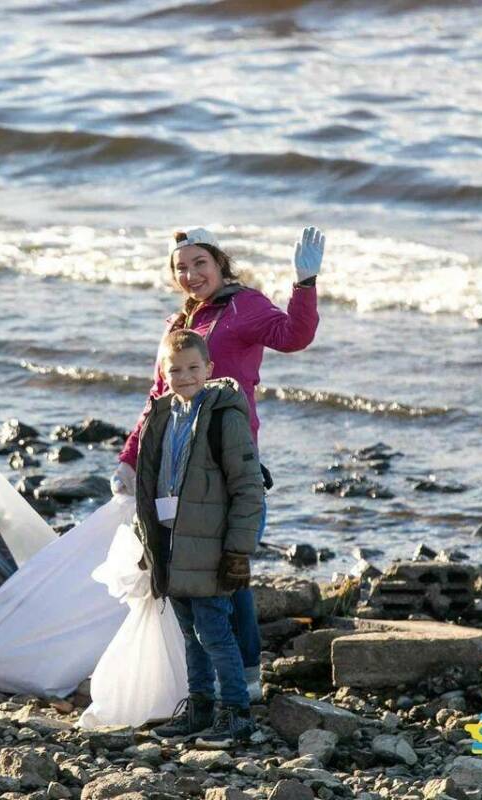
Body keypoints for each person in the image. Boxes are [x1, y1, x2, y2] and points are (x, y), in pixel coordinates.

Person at [113, 225, 324, 698]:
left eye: (199, 263)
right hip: (173, 460)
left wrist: (304, 284)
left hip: (225, 455)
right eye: (181, 268)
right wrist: (130, 458)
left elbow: (294, 336)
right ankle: (200, 682)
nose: (191, 274)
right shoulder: (177, 325)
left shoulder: (243, 305)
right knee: (186, 566)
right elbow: (158, 395)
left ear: (219, 263)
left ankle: (245, 678)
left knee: (229, 567)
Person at [133, 329, 264, 745]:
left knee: (214, 631)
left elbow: (247, 485)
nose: (185, 375)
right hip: (173, 543)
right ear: (162, 372)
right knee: (190, 632)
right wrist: (147, 542)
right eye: (175, 369)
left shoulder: (224, 415)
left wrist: (239, 549)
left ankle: (236, 713)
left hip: (210, 545)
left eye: (193, 367)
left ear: (209, 369)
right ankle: (200, 707)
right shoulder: (162, 415)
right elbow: (151, 483)